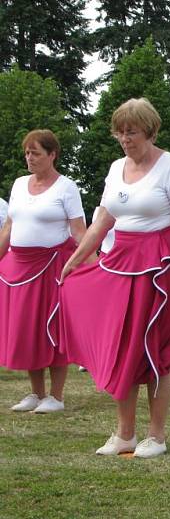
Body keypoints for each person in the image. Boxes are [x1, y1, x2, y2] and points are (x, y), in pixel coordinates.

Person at [59, 98, 170, 459]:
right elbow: (102, 220)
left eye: (131, 132)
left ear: (149, 131)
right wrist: (75, 258)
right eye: (120, 132)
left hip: (162, 268)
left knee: (154, 351)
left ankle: (156, 435)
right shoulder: (116, 168)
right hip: (120, 264)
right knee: (123, 348)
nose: (125, 139)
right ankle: (125, 434)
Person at [0, 130, 86, 413]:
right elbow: (9, 228)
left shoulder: (66, 187)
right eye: (27, 152)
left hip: (52, 267)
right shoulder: (19, 184)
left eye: (35, 153)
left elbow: (79, 232)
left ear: (52, 155)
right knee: (26, 328)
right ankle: (36, 393)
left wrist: (90, 264)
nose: (29, 158)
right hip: (18, 267)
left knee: (52, 329)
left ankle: (56, 396)